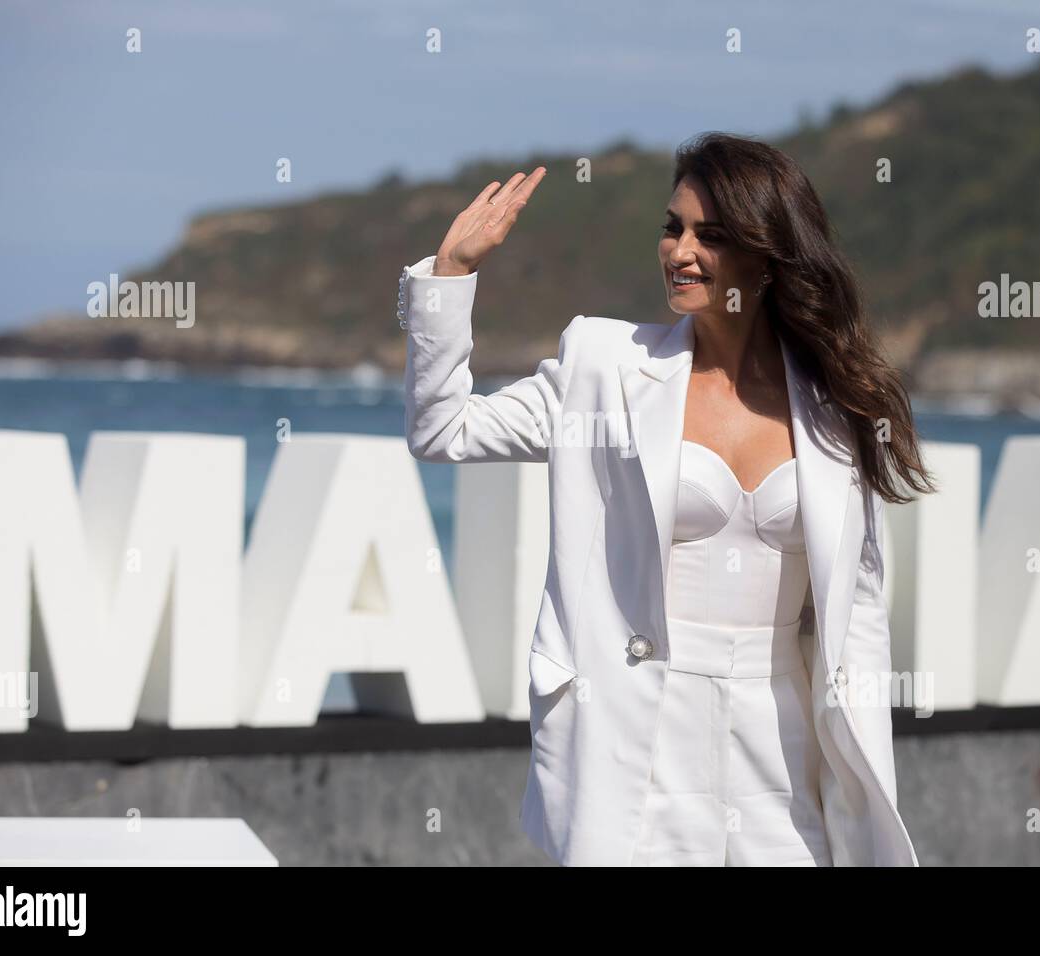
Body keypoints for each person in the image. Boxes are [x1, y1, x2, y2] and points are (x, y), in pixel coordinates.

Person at [400, 131, 935, 866]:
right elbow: (444, 429)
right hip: (638, 738)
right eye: (672, 227)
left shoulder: (838, 407)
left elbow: (859, 609)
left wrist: (867, 760)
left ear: (766, 254)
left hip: (782, 744)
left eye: (710, 235)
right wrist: (450, 274)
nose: (680, 251)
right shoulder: (606, 367)